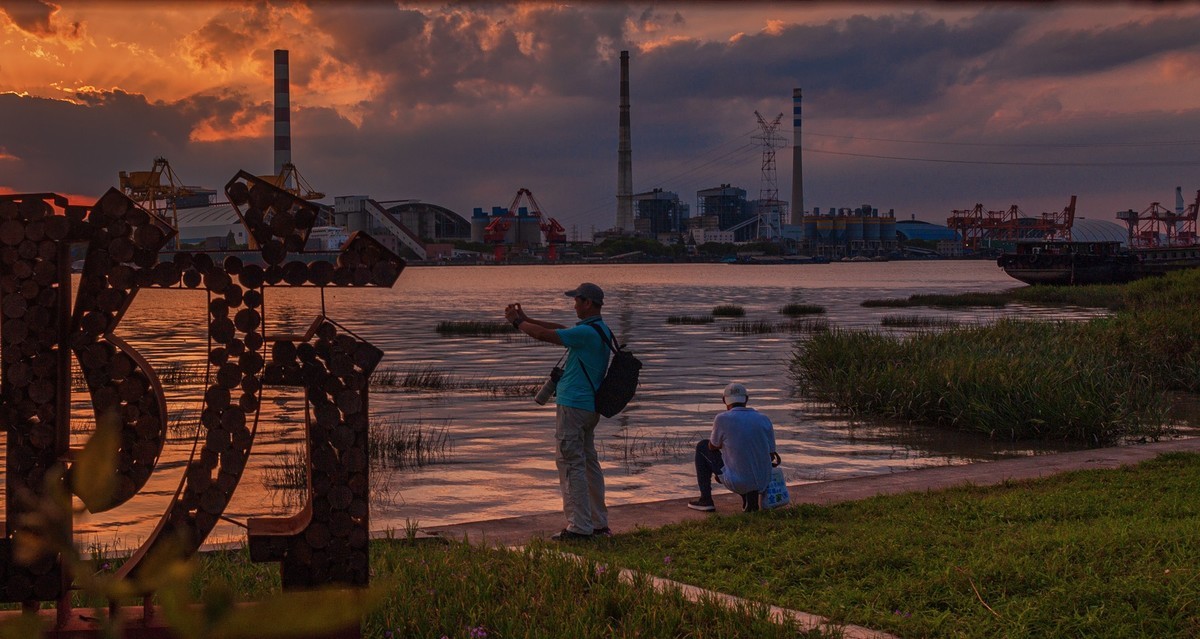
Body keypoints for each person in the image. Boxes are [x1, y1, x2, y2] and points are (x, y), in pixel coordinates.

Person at [504, 283, 613, 540]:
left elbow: (543, 335)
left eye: (576, 300)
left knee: (569, 463)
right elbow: (559, 330)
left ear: (587, 303)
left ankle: (578, 527)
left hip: (573, 406)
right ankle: (598, 523)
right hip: (589, 407)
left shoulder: (586, 333)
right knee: (588, 464)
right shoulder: (599, 329)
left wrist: (516, 324)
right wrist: (526, 318)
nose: (573, 304)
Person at [688, 382, 779, 513]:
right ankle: (749, 498)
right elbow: (771, 454)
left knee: (702, 446)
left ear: (724, 400)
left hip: (738, 481)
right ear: (746, 399)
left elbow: (712, 446)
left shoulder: (722, 418)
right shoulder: (763, 418)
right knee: (747, 457)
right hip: (763, 481)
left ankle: (706, 500)